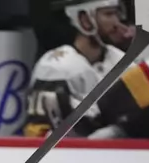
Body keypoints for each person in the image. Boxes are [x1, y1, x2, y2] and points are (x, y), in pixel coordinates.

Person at [23, 0, 128, 138]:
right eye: (108, 14)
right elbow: (37, 132)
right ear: (85, 20)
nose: (116, 22)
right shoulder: (55, 67)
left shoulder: (124, 62)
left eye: (116, 14)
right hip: (68, 157)